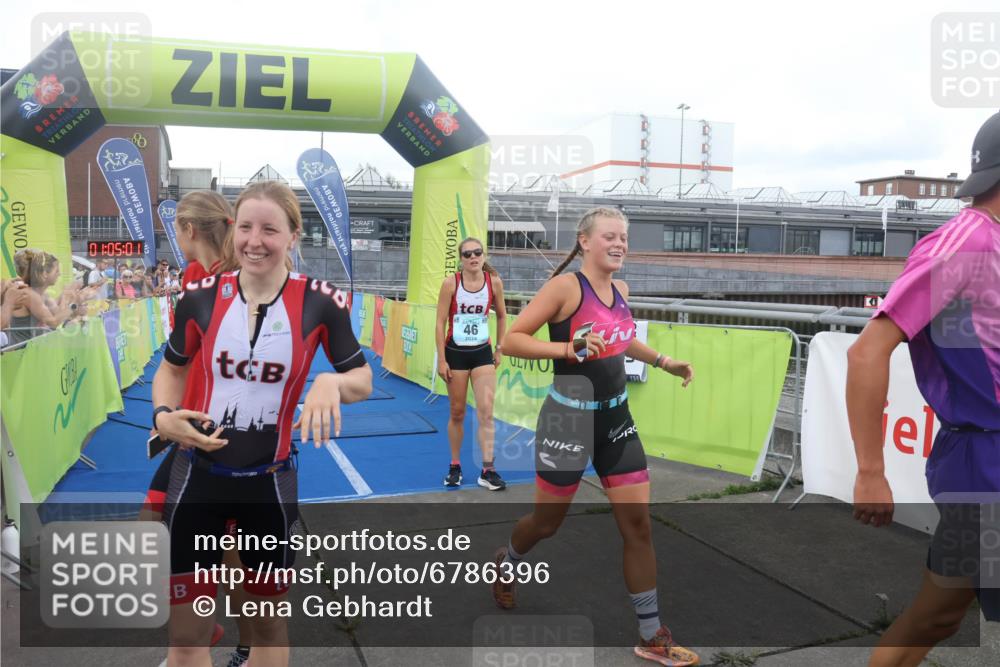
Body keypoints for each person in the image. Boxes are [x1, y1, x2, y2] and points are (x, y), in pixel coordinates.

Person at [151, 180, 372, 667]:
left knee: (268, 626)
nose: (255, 241)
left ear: (293, 235)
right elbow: (171, 369)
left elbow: (362, 378)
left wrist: (331, 383)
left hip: (268, 487)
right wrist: (163, 416)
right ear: (233, 232)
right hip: (197, 481)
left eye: (270, 230)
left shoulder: (321, 302)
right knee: (186, 638)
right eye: (246, 227)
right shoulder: (200, 297)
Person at [493, 207, 698, 666]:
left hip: (616, 421)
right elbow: (513, 340)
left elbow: (621, 339)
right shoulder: (565, 288)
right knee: (546, 524)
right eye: (610, 236)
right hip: (567, 422)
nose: (620, 243)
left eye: (624, 237)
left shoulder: (621, 290)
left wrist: (664, 362)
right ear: (585, 241)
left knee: (638, 526)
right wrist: (569, 348)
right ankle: (508, 561)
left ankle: (652, 634)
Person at [848, 112, 1000, 666]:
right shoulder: (965, 242)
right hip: (986, 465)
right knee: (935, 615)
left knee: (937, 616)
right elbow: (867, 351)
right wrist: (870, 471)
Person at [140, 190, 249, 667]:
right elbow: (180, 359)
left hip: (229, 436)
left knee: (230, 551)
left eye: (176, 230)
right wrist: (167, 413)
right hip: (191, 428)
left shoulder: (240, 282)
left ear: (188, 229)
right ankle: (203, 635)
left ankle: (232, 642)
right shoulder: (191, 277)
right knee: (157, 526)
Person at [435, 237, 509, 490]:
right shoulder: (451, 283)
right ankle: (455, 465)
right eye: (467, 254)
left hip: (482, 353)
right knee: (457, 412)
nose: (473, 257)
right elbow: (439, 322)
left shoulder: (494, 282)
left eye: (477, 252)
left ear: (484, 255)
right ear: (461, 259)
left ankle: (488, 469)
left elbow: (502, 316)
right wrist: (441, 359)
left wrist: (499, 348)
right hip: (455, 353)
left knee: (486, 412)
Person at [7, 249, 83, 345]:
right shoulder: (28, 294)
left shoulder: (40, 294)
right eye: (56, 271)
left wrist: (66, 295)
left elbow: (57, 313)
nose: (59, 274)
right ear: (43, 273)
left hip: (33, 349)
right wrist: (74, 304)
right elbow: (54, 322)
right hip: (21, 351)